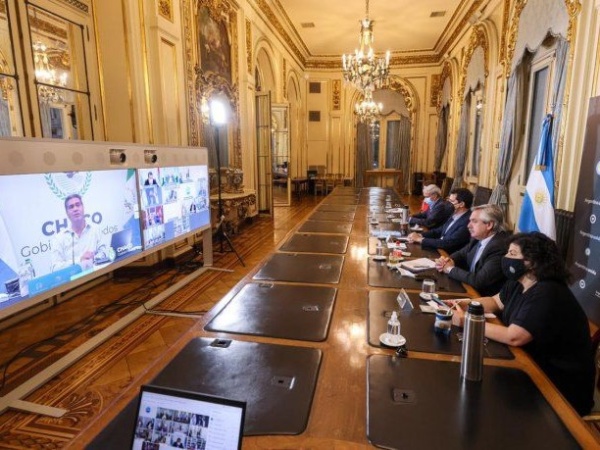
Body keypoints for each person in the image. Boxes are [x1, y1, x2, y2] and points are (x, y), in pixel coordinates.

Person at [449, 232, 595, 415]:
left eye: (512, 254)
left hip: (558, 388)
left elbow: (515, 336)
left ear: (532, 261)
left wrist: (467, 321)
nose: (506, 258)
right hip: (528, 368)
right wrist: (461, 303)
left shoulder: (548, 291)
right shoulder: (518, 282)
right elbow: (495, 302)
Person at [435, 204, 508, 296]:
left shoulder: (499, 247)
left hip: (482, 297)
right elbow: (461, 254)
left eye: (474, 221)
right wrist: (447, 261)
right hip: (468, 288)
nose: (468, 225)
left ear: (489, 225)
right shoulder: (478, 238)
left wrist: (449, 269)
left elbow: (479, 280)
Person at [407, 188, 473, 253]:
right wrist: (420, 235)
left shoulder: (468, 221)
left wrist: (420, 239)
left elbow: (448, 243)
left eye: (451, 201)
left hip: (447, 255)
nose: (448, 203)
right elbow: (439, 231)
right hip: (440, 248)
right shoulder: (454, 214)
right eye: (448, 200)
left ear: (461, 204)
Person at [50, 194, 103, 272]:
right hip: (74, 282)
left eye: (78, 205)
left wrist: (94, 258)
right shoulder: (59, 238)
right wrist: (79, 261)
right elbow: (54, 268)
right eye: (71, 207)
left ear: (83, 207)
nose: (75, 209)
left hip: (96, 276)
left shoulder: (95, 229)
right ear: (67, 212)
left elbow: (103, 252)